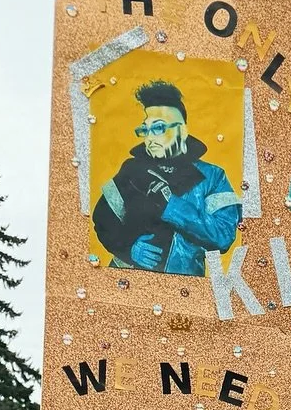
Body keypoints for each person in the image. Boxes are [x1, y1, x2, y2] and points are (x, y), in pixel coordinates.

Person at [92, 80, 242, 276]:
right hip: (126, 283)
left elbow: (223, 236)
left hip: (183, 291)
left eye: (159, 128)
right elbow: (103, 221)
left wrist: (172, 206)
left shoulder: (213, 176)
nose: (150, 137)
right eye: (145, 130)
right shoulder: (132, 169)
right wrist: (129, 248)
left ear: (182, 130)